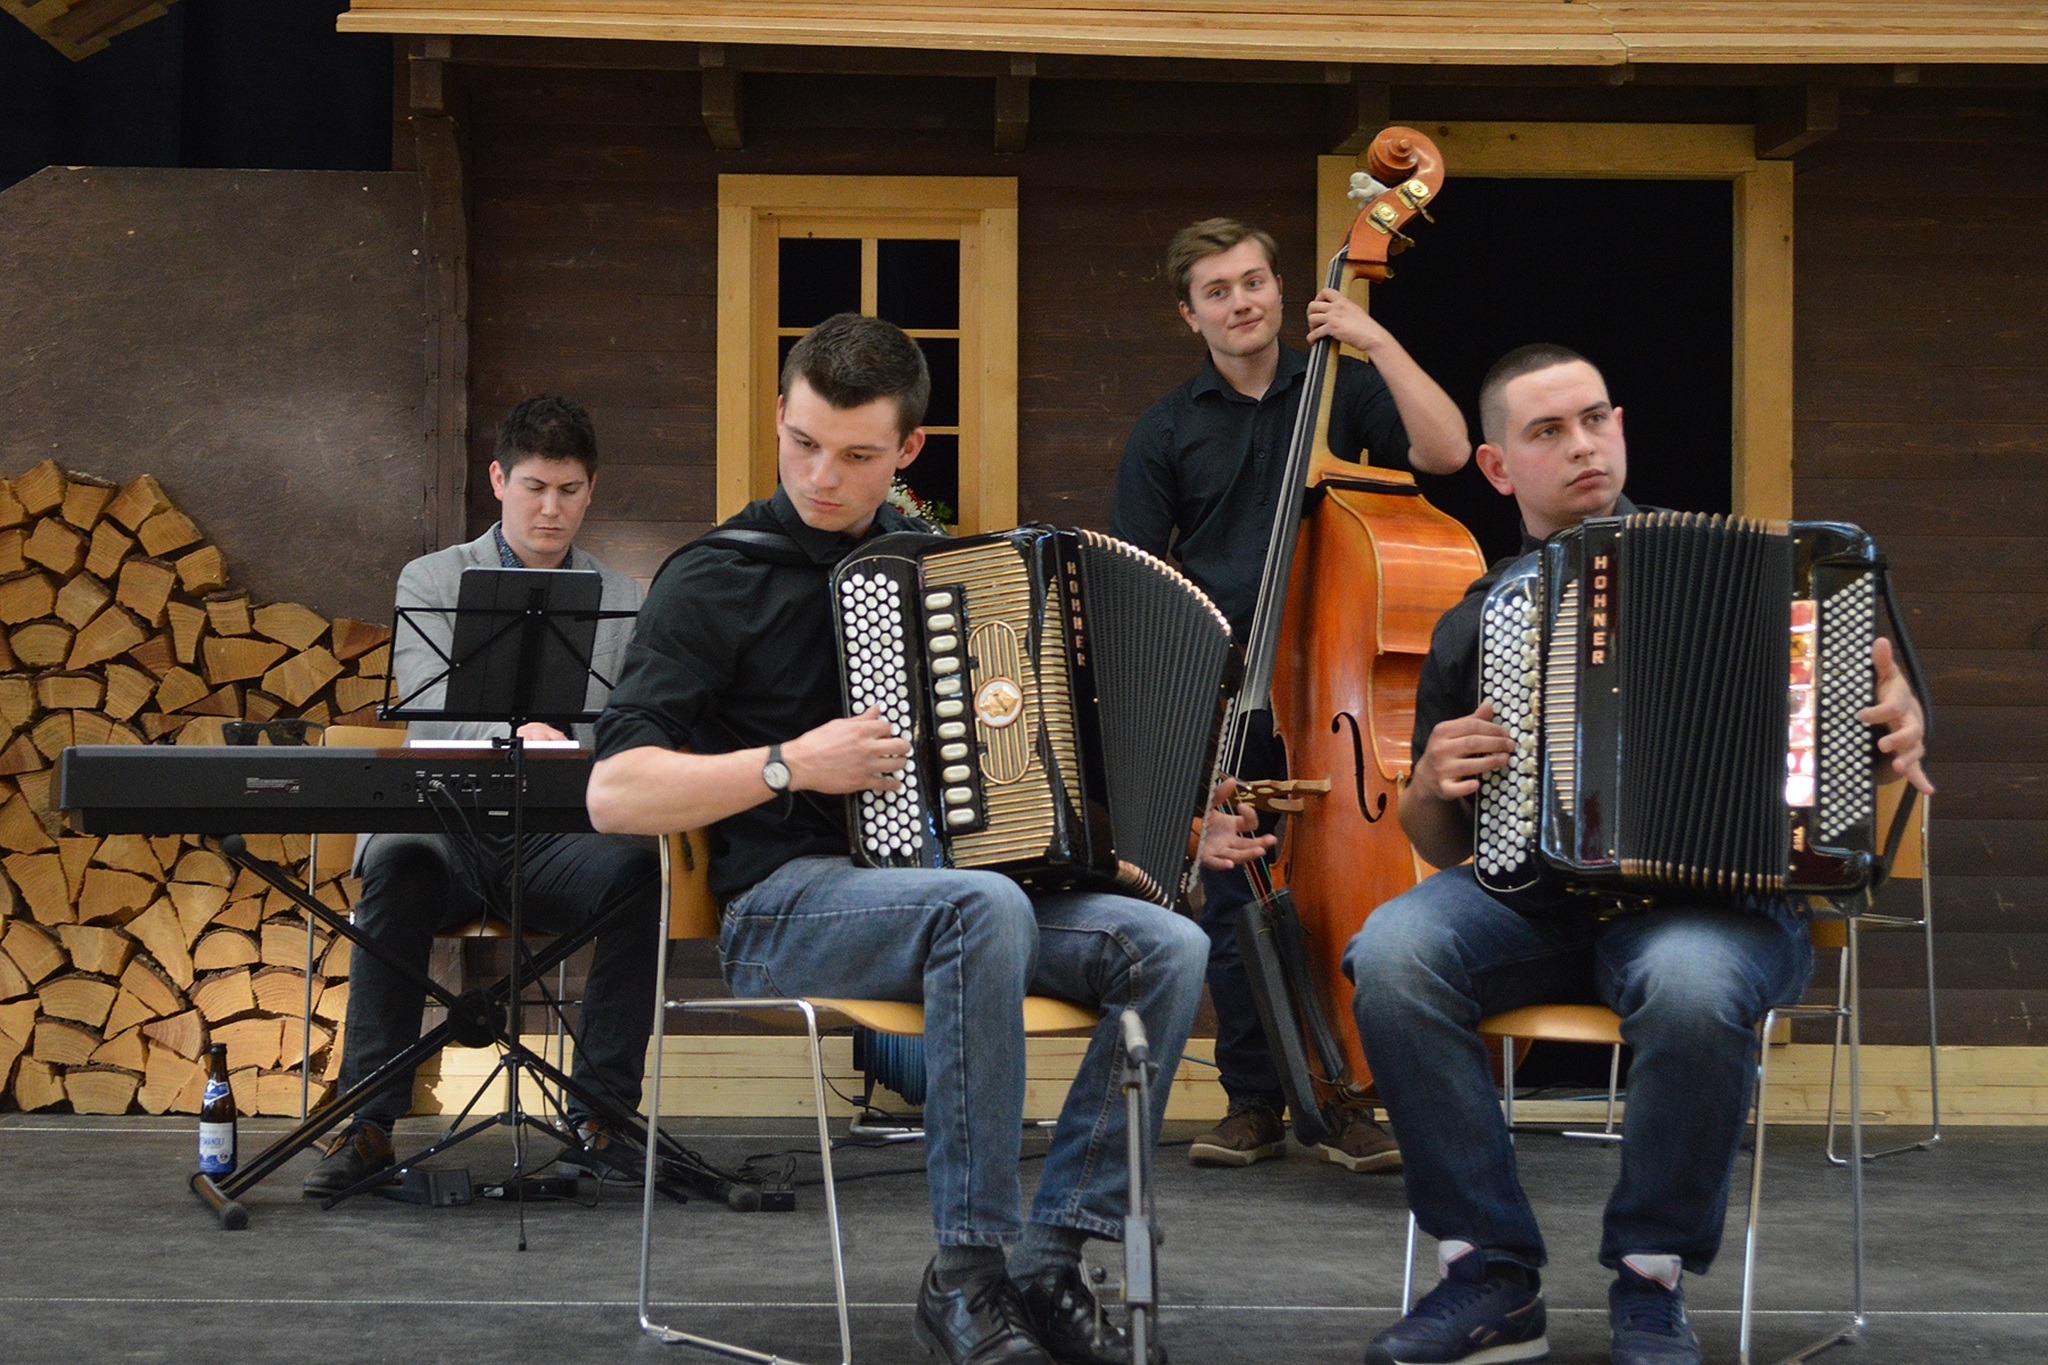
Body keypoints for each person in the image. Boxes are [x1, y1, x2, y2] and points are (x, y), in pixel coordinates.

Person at [588, 313, 1263, 1365]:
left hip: (945, 899)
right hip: (781, 907)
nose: (823, 475)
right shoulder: (711, 579)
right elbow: (614, 795)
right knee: (978, 906)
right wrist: (787, 765)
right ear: (778, 416)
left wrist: (1156, 831)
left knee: (1165, 946)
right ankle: (964, 1275)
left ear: (908, 450)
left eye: (858, 455)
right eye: (804, 443)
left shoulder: (945, 580)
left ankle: (1048, 1261)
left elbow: (1024, 787)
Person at [1345, 345, 1933, 1365]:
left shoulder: (1770, 584)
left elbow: (1860, 755)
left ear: (1617, 424)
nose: (1579, 446)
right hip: (1534, 911)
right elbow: (1443, 850)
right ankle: (1485, 1273)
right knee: (1393, 953)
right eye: (1545, 432)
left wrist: (1890, 728)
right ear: (1494, 468)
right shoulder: (1475, 620)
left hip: (1716, 915)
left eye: (1593, 420)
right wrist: (1431, 784)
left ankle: (1649, 1281)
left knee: (1692, 980)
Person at [1111, 217, 1472, 1173]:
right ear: (1190, 314)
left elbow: (1446, 452)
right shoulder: (1168, 428)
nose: (1242, 302)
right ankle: (1253, 1100)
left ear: (1282, 290)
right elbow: (1146, 579)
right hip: (1232, 686)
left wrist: (1375, 337)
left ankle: (1354, 1091)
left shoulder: (1344, 391)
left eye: (1255, 282)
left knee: (1350, 892)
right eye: (1219, 291)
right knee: (1238, 895)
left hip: (1338, 685)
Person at [303, 395, 660, 1198]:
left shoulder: (622, 594)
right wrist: (510, 738)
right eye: (534, 486)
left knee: (639, 876)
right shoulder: (432, 578)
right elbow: (429, 707)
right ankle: (367, 1121)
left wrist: (574, 747)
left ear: (592, 489)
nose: (551, 507)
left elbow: (628, 727)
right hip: (446, 825)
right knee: (395, 863)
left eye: (570, 489)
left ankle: (599, 1116)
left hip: (554, 838)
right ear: (498, 479)